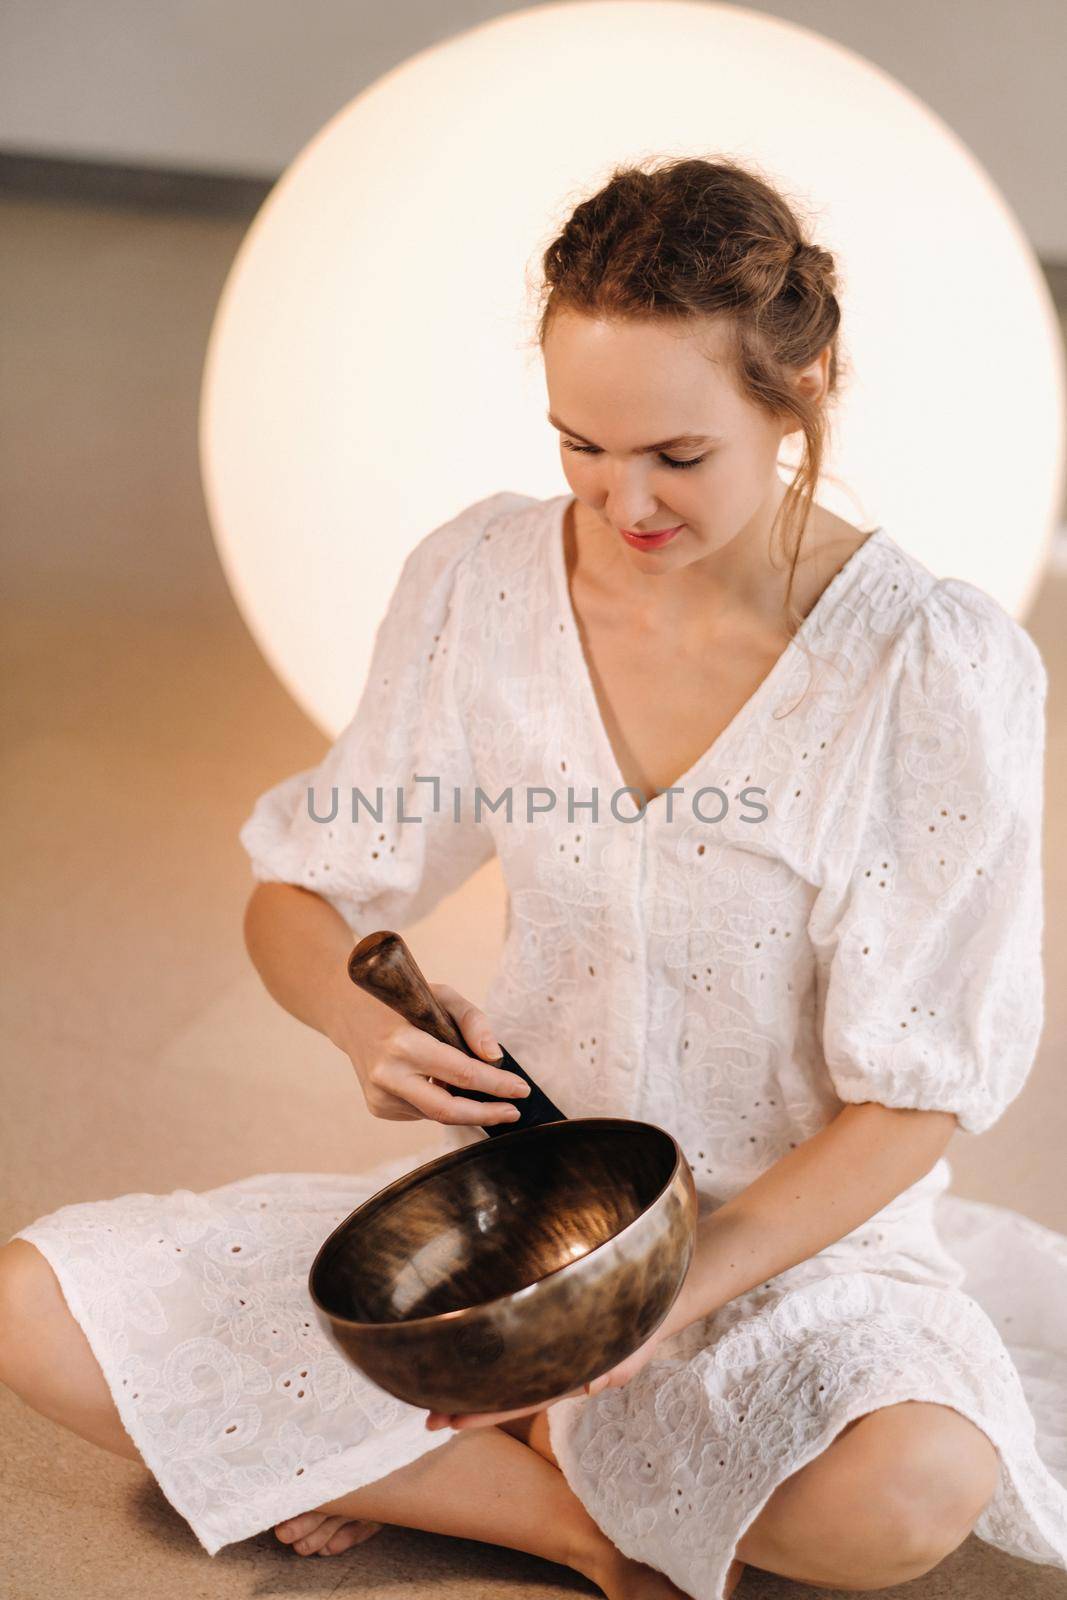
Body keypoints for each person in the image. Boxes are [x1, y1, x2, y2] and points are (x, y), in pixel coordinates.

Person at [2, 155, 1065, 1600]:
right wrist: (359, 1024)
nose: (622, 502)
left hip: (781, 1252)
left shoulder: (928, 666)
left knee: (908, 1493)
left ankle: (456, 1452)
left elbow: (914, 1102)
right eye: (581, 444)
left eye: (677, 458)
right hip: (516, 1233)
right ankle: (574, 1520)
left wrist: (660, 1298)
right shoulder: (481, 582)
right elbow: (301, 894)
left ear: (805, 383)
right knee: (27, 1311)